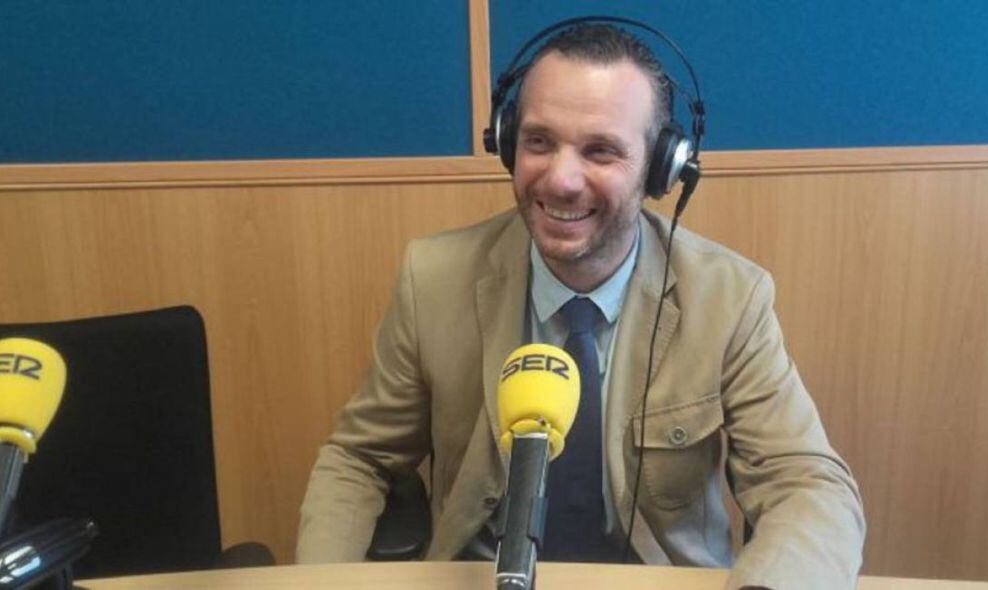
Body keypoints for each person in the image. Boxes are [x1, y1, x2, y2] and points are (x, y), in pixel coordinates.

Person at [297, 22, 865, 590]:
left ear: (661, 168)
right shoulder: (433, 279)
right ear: (508, 139)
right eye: (539, 141)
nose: (561, 179)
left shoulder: (730, 298)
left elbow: (807, 484)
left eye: (600, 151)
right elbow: (359, 461)